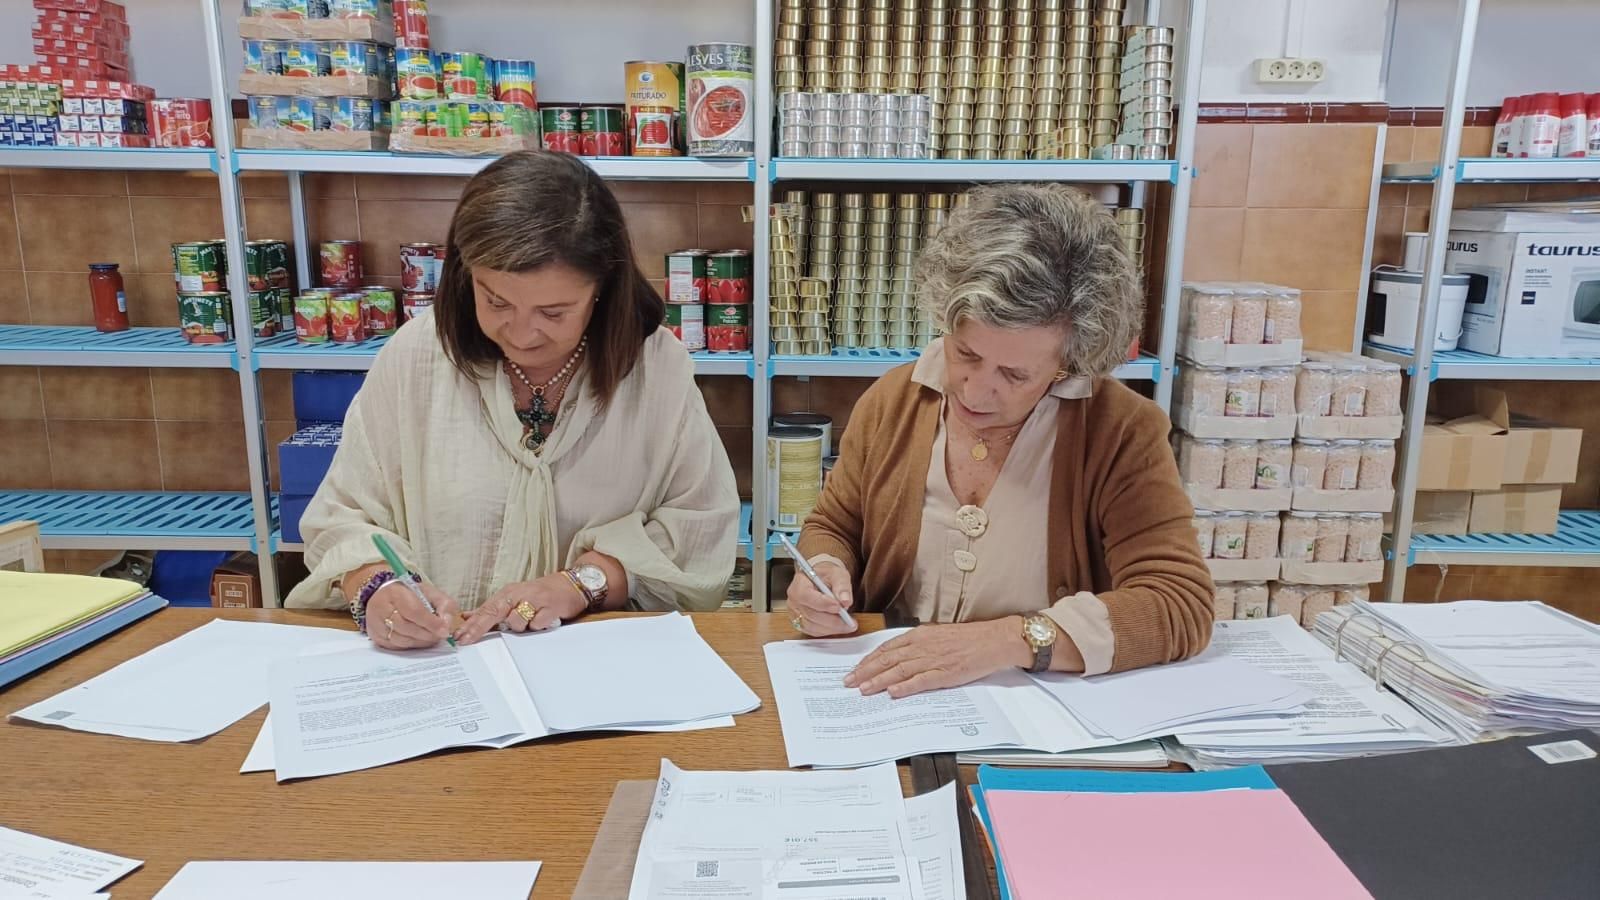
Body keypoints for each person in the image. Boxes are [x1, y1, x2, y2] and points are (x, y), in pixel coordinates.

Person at [287, 150, 741, 649]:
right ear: (465, 276)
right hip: (442, 661)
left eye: (554, 311)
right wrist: (377, 586)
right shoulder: (418, 357)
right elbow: (344, 515)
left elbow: (700, 524)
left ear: (603, 291)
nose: (523, 334)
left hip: (601, 664)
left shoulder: (657, 368)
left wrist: (584, 583)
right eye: (496, 301)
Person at [788, 182, 1214, 698]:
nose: (975, 390)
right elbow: (836, 524)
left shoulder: (1120, 430)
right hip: (893, 691)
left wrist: (1011, 640)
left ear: (1067, 366)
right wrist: (825, 572)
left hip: (1043, 704)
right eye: (965, 353)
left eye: (1014, 375)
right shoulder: (893, 401)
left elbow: (1178, 603)